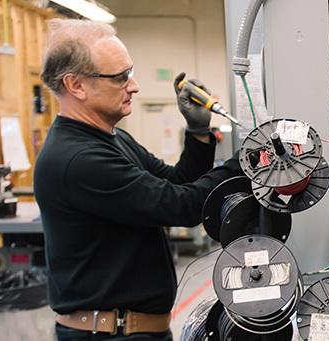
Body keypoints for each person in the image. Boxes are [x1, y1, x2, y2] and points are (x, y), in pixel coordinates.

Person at [33, 19, 243, 340]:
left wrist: (199, 133)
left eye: (129, 73)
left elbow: (177, 182)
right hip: (109, 333)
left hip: (134, 330)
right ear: (76, 85)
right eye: (120, 78)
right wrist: (247, 161)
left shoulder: (110, 139)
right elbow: (179, 206)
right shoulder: (78, 158)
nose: (134, 86)